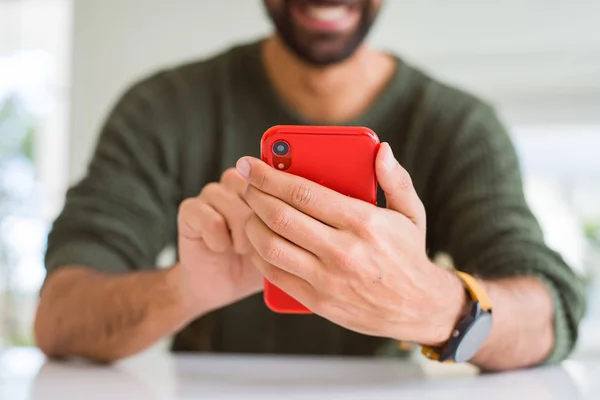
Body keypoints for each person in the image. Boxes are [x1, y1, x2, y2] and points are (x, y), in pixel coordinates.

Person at [35, 0, 585, 371]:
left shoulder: (459, 128)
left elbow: (550, 311)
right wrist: (186, 290)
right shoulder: (162, 109)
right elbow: (59, 316)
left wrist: (438, 308)